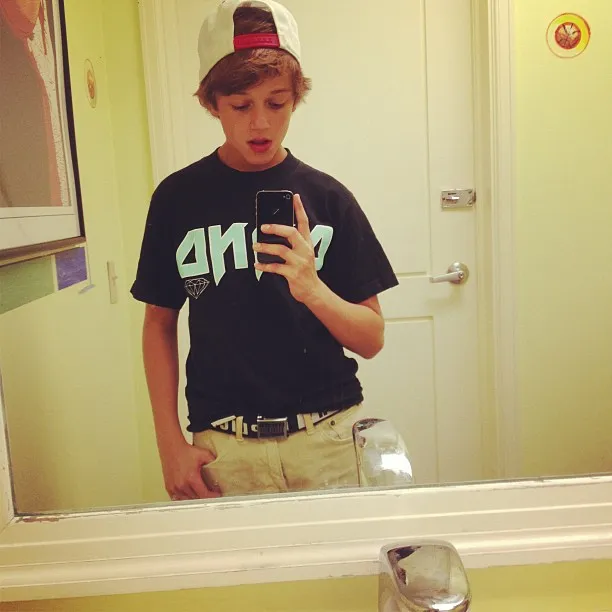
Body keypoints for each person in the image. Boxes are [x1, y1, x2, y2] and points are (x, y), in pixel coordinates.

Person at [131, 0, 398, 501]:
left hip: (327, 439)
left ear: (295, 100)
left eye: (276, 104)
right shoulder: (177, 198)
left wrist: (313, 289)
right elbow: (158, 324)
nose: (260, 124)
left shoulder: (328, 198)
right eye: (241, 105)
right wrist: (169, 444)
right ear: (212, 103)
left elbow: (371, 338)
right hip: (223, 448)